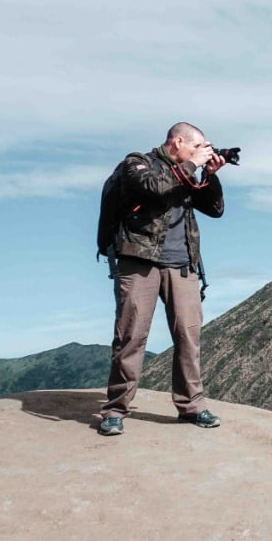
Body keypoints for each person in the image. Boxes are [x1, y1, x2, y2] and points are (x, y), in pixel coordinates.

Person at [98, 122, 226, 436]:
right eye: (198, 147)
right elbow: (154, 187)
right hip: (139, 261)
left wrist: (209, 174)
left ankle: (191, 406)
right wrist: (192, 165)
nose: (201, 152)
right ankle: (115, 410)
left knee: (188, 336)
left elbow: (215, 208)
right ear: (177, 142)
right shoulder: (137, 163)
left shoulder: (187, 172)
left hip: (181, 264)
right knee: (131, 336)